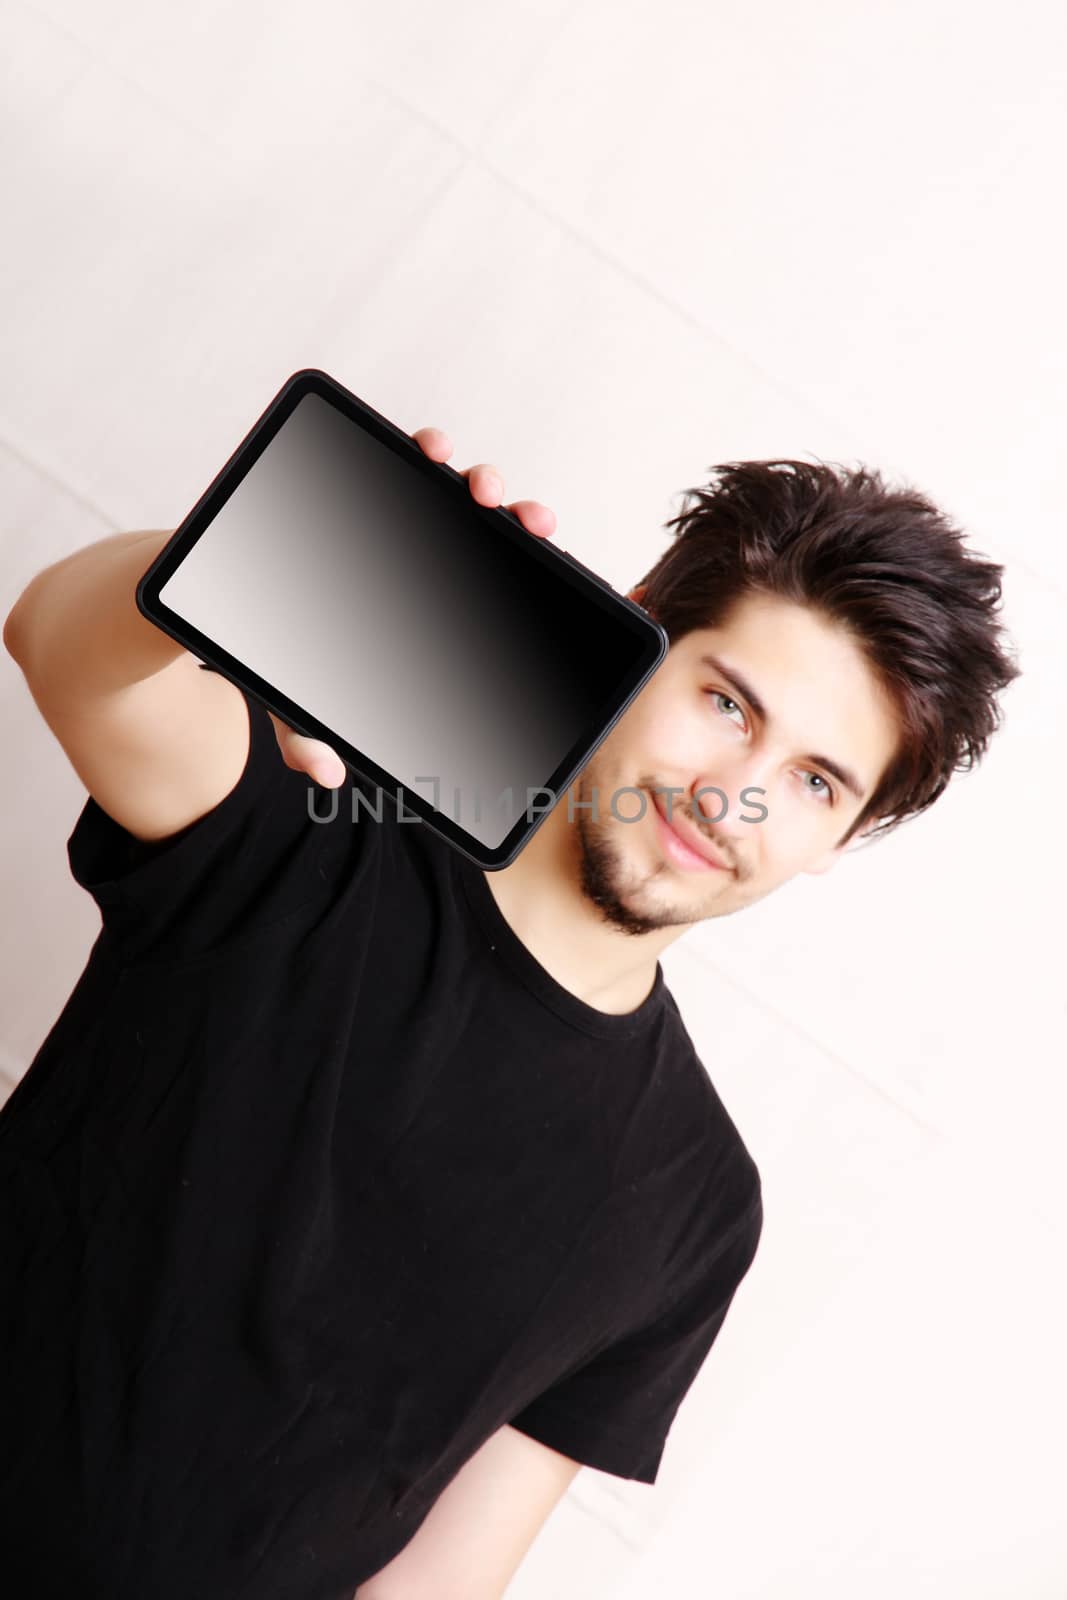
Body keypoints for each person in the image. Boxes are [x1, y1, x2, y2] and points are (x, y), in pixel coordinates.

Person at [0, 426, 1020, 1600]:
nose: (730, 795)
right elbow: (58, 645)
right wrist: (262, 550)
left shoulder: (692, 1207)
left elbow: (442, 1579)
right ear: (633, 630)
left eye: (811, 781)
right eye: (727, 705)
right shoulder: (323, 815)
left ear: (839, 840)